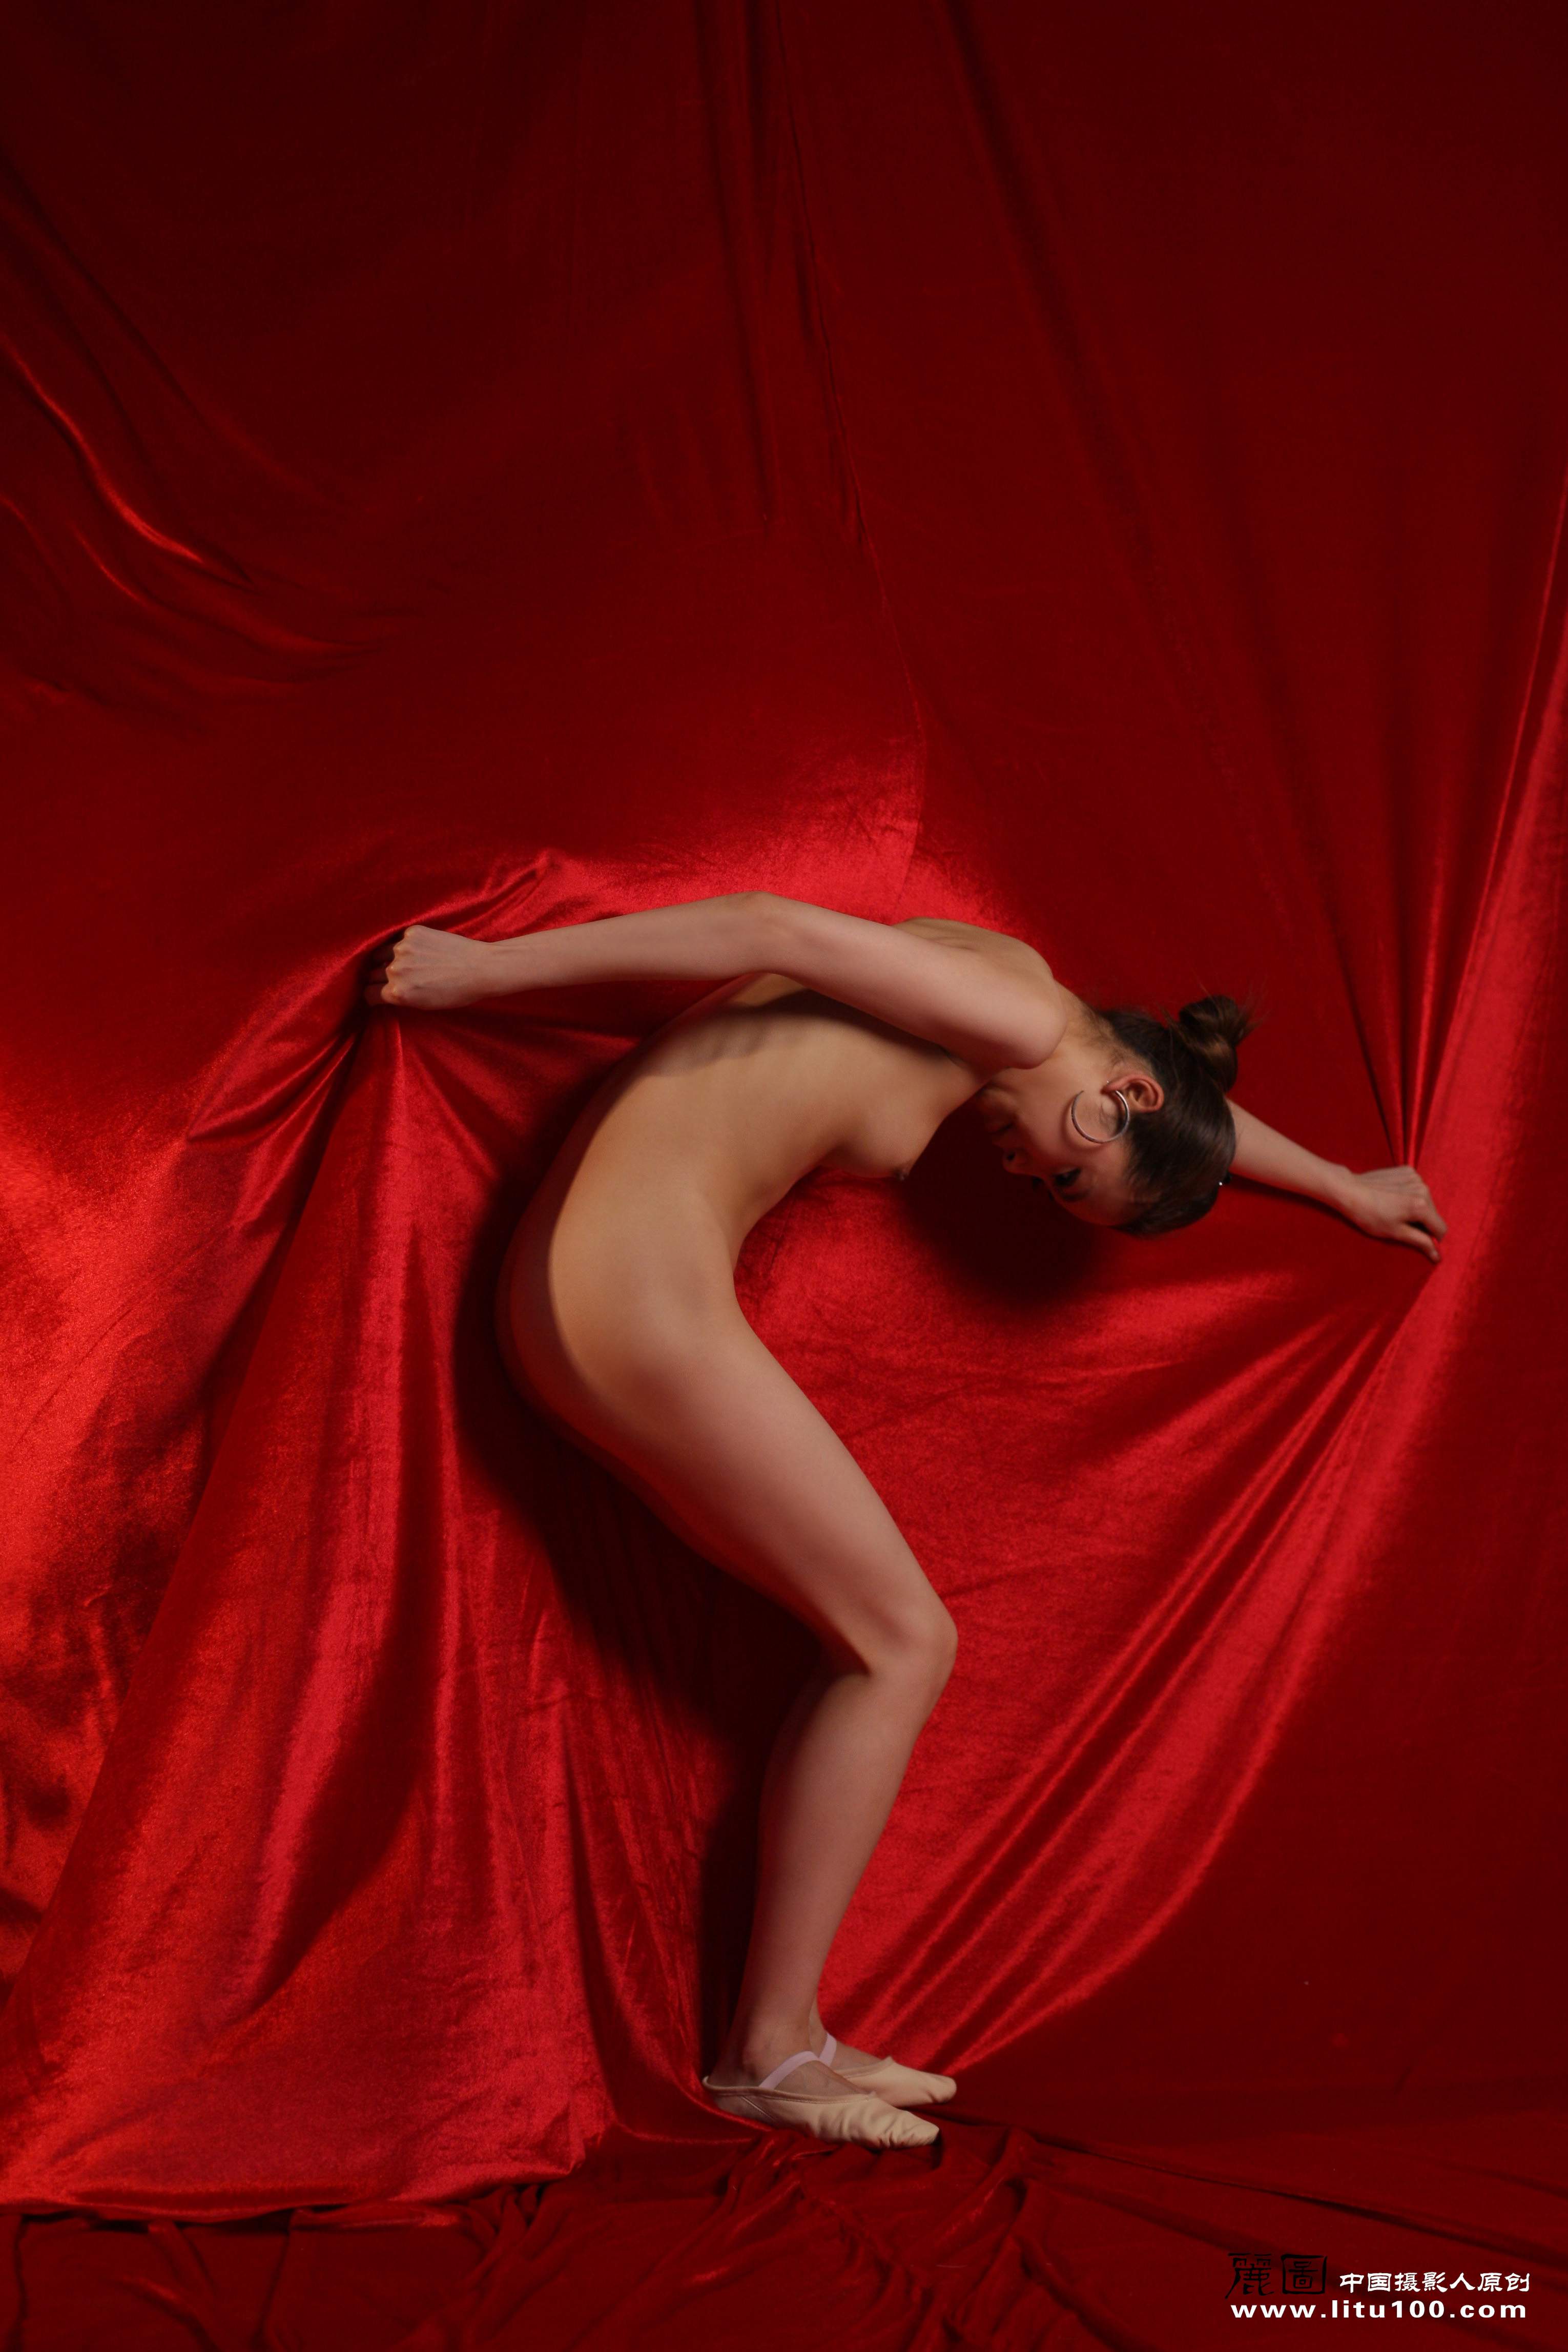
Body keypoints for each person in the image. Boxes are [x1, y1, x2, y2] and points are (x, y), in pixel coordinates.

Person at [365, 891, 1445, 2152]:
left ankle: (788, 2039)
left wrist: (1338, 1187)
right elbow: (771, 928)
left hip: (607, 1286)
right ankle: (768, 2053)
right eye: (1065, 1174)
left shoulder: (1033, 1018)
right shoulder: (1018, 1015)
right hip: (627, 1294)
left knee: (889, 1643)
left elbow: (1175, 1114)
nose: (1024, 1174)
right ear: (1122, 1096)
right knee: (903, 1644)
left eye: (1052, 1192)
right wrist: (484, 975)